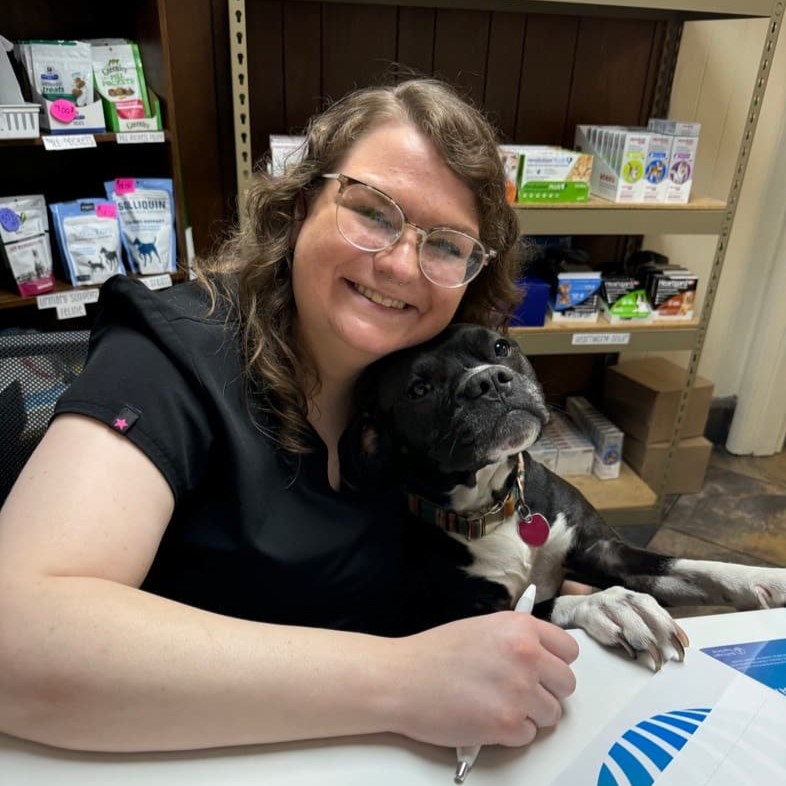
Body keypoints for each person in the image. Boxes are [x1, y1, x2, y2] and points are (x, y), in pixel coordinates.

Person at [0, 78, 578, 753]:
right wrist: (403, 680)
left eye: (447, 244)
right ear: (301, 208)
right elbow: (18, 631)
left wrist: (557, 587)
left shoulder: (422, 385)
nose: (400, 264)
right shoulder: (174, 358)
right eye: (373, 212)